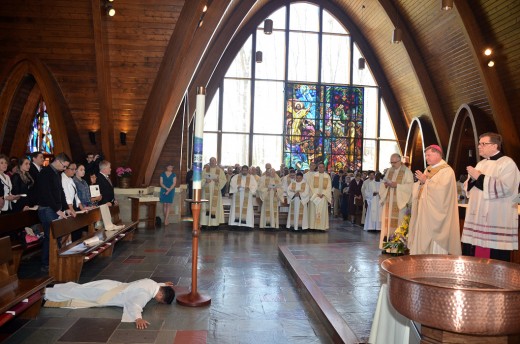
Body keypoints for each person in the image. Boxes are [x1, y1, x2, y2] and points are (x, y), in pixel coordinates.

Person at [461, 132, 520, 262]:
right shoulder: (481, 164)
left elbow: (505, 188)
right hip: (478, 218)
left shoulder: (507, 163)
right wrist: (472, 180)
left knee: (493, 260)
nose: (479, 146)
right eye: (479, 144)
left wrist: (478, 177)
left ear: (494, 146)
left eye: (483, 143)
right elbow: (469, 187)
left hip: (495, 218)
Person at [44, 279, 175, 329]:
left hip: (109, 285)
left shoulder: (151, 283)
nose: (158, 302)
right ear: (161, 296)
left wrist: (163, 284)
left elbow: (151, 287)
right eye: (161, 301)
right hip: (105, 293)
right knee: (76, 294)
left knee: (79, 289)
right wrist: (138, 318)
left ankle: (53, 287)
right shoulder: (145, 295)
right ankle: (46, 294)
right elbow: (134, 305)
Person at [408, 145, 461, 255]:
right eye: (426, 155)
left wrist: (425, 181)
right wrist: (421, 183)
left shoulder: (447, 171)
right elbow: (423, 187)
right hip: (425, 212)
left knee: (436, 243)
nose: (426, 158)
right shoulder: (428, 169)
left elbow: (442, 191)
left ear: (437, 154)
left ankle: (437, 262)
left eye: (429, 155)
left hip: (438, 215)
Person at [36, 152, 71, 272]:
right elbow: (46, 194)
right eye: (64, 166)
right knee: (50, 236)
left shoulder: (57, 173)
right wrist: (57, 210)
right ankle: (46, 263)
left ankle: (55, 260)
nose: (65, 169)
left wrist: (66, 207)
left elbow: (60, 192)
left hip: (54, 208)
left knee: (57, 235)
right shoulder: (45, 172)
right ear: (57, 161)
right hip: (47, 209)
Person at [379, 154, 413, 251]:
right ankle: (388, 248)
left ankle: (397, 249)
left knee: (398, 226)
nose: (392, 164)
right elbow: (383, 184)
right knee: (387, 226)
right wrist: (385, 185)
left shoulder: (407, 171)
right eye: (391, 162)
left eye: (394, 162)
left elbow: (410, 187)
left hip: (400, 204)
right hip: (389, 203)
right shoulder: (390, 170)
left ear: (400, 161)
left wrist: (397, 186)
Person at [200, 157, 227, 228]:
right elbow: (200, 179)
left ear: (216, 162)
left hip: (216, 192)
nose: (212, 162)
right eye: (211, 161)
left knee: (215, 207)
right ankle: (204, 223)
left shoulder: (220, 171)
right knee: (205, 206)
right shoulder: (205, 170)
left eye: (214, 161)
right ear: (209, 162)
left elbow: (224, 180)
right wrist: (205, 181)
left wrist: (218, 181)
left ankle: (215, 224)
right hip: (206, 192)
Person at [308, 163, 332, 230]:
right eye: (320, 167)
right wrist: (316, 194)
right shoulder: (314, 175)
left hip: (323, 197)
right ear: (317, 168)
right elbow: (310, 186)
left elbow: (329, 187)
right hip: (315, 196)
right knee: (313, 211)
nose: (321, 168)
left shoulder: (327, 176)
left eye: (322, 167)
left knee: (322, 212)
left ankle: (321, 227)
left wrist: (323, 194)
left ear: (324, 168)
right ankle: (313, 227)